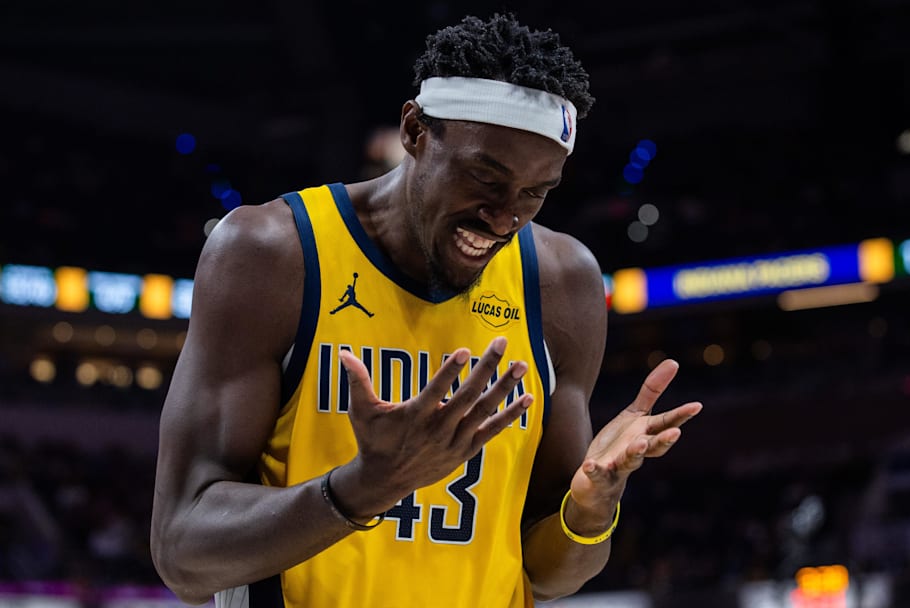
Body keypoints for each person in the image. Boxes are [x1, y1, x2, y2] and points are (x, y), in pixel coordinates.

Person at [150, 13, 701, 608]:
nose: (504, 216)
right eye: (484, 177)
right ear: (414, 129)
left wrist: (591, 509)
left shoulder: (562, 283)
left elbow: (549, 574)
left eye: (536, 193)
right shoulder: (273, 253)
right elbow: (183, 551)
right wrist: (363, 488)